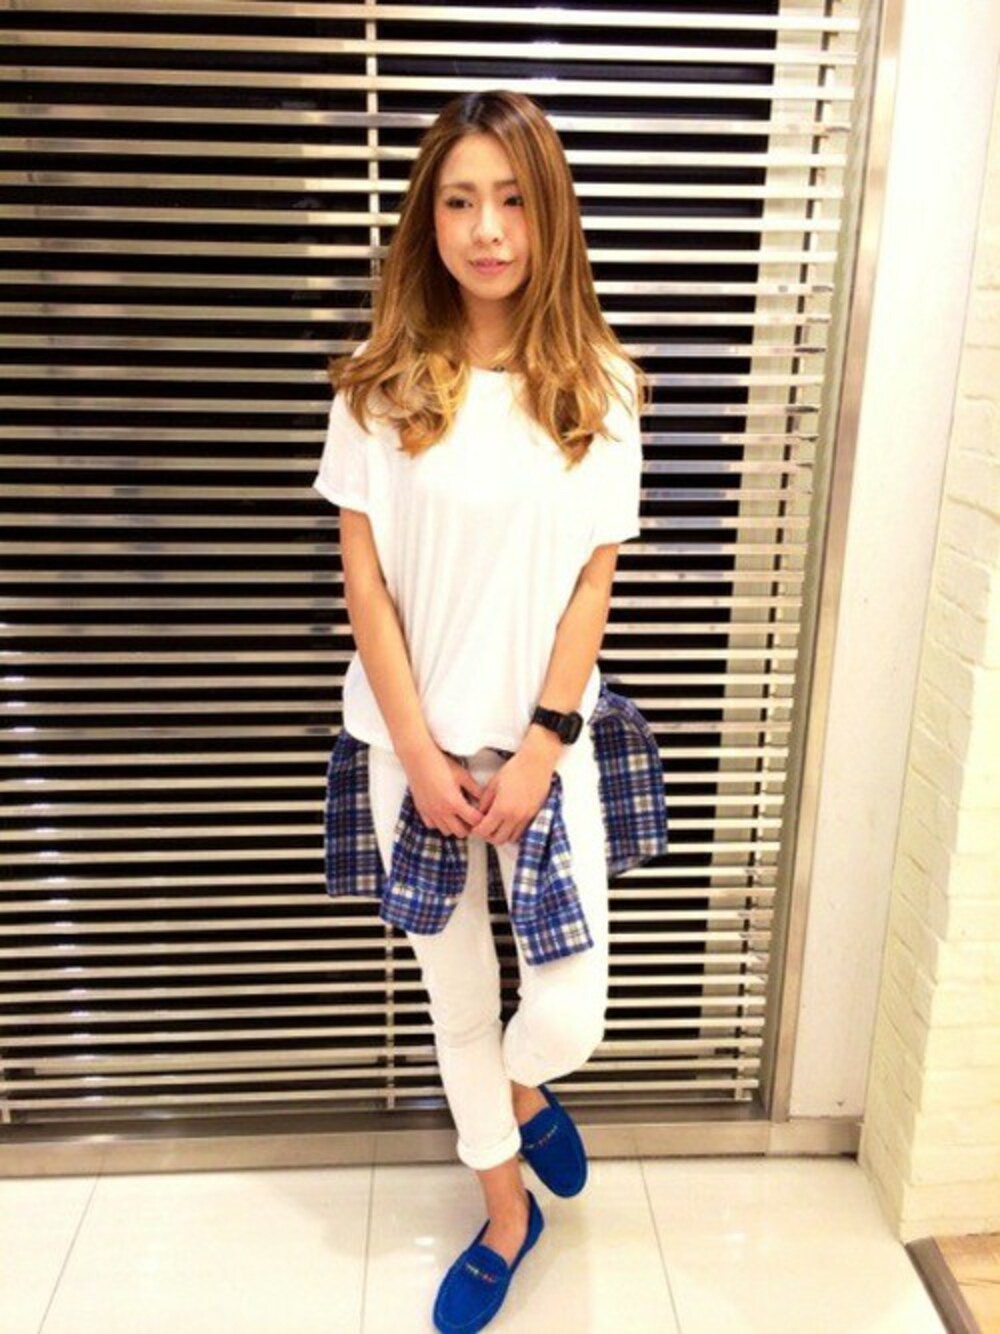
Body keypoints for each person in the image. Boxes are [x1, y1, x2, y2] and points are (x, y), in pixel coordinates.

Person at [312, 88, 665, 1334]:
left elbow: (592, 585)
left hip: (542, 749)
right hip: (405, 748)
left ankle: (520, 1093)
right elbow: (364, 586)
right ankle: (505, 1215)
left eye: (511, 198)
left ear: (548, 211)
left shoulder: (602, 386)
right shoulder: (376, 387)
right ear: (429, 219)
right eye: (459, 200)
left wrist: (540, 747)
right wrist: (417, 750)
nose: (487, 229)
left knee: (566, 1006)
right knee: (458, 999)